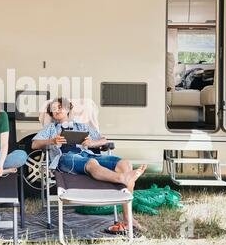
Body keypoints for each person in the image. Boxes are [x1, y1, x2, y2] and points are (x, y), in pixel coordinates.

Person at [31, 97, 147, 232]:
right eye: (53, 109)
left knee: (125, 164)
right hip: (65, 159)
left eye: (59, 107)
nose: (56, 111)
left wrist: (92, 143)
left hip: (86, 154)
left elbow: (103, 140)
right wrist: (51, 141)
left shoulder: (82, 127)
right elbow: (34, 144)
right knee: (92, 163)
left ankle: (128, 219)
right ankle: (122, 178)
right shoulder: (50, 128)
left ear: (68, 109)